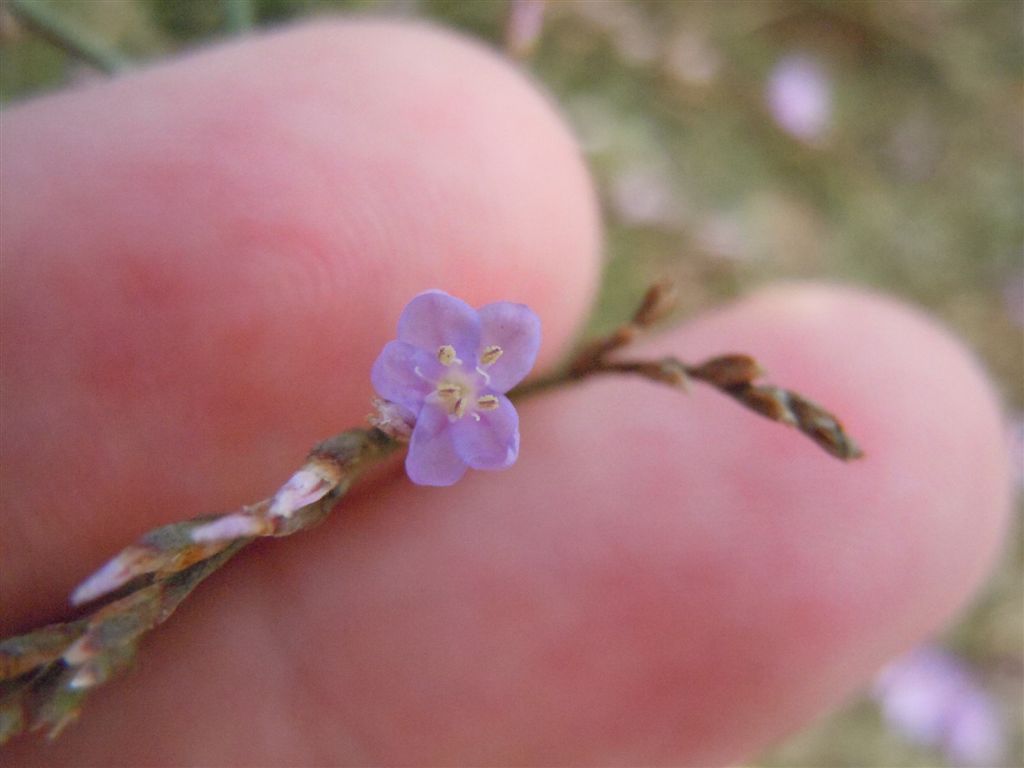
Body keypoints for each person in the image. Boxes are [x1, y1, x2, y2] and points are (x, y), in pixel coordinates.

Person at [0, 20, 1011, 766]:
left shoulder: (474, 399)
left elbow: (468, 406)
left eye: (467, 384)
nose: (457, 384)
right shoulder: (455, 383)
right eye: (454, 380)